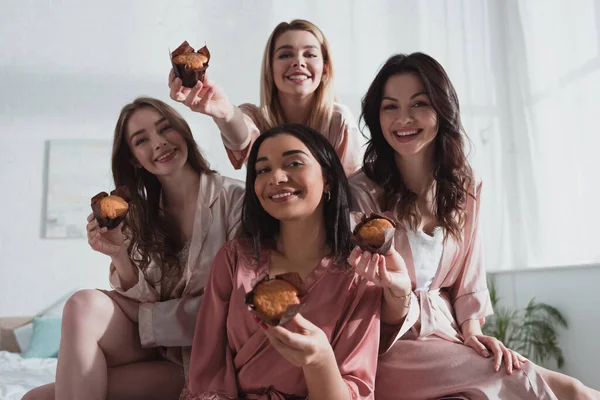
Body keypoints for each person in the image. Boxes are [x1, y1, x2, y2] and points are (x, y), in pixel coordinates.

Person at [348, 53, 600, 400]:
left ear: (442, 109)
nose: (403, 118)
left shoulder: (466, 185)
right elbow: (358, 293)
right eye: (390, 107)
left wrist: (472, 331)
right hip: (389, 345)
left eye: (418, 104)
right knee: (528, 382)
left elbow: (469, 275)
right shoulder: (361, 193)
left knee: (575, 390)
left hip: (448, 335)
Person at [23, 97, 245, 400]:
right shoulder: (139, 214)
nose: (159, 143)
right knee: (82, 304)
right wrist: (119, 255)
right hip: (156, 350)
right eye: (142, 140)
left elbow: (231, 308)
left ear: (183, 131)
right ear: (135, 159)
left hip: (204, 358)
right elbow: (144, 297)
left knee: (39, 399)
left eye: (165, 129)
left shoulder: (236, 201)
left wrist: (145, 317)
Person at [182, 124, 381, 400]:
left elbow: (356, 390)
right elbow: (207, 370)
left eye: (294, 163)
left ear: (328, 180)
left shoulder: (359, 274)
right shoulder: (234, 259)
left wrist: (320, 360)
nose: (276, 177)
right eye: (263, 170)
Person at [168, 19, 362, 176]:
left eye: (310, 54)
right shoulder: (255, 118)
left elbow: (350, 193)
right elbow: (241, 134)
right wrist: (225, 113)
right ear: (270, 68)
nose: (298, 62)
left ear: (325, 68)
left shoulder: (339, 121)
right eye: (285, 55)